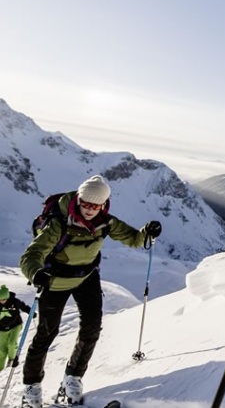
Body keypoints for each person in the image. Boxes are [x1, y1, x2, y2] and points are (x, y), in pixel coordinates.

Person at [18, 175, 163, 408]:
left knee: (92, 327)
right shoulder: (59, 223)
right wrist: (36, 273)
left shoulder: (106, 222)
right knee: (46, 334)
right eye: (85, 203)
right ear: (79, 198)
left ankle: (72, 379)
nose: (89, 209)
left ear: (103, 205)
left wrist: (148, 231)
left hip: (86, 278)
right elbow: (31, 255)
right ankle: (31, 387)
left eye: (95, 205)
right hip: (54, 281)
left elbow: (134, 239)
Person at [0, 284, 32, 375]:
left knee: (12, 344)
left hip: (16, 326)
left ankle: (11, 359)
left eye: (3, 299)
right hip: (3, 328)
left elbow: (23, 307)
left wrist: (31, 312)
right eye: (0, 299)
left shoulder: (14, 301)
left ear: (7, 297)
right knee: (2, 350)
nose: (2, 301)